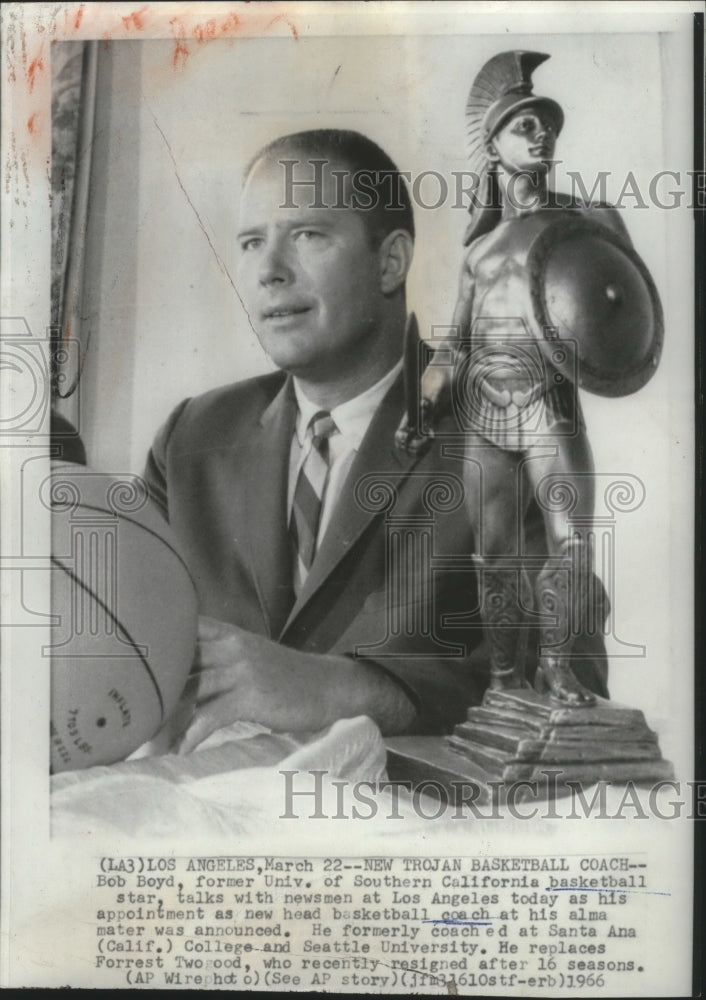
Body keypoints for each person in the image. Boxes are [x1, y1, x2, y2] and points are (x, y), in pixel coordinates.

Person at [144, 127, 609, 752]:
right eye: (253, 242)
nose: (269, 272)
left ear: (390, 261)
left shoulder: (500, 431)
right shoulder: (190, 437)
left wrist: (342, 690)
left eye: (307, 235)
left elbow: (572, 692)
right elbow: (111, 643)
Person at [396, 51, 633, 705]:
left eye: (543, 124)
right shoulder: (480, 250)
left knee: (573, 541)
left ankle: (561, 671)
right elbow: (458, 343)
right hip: (483, 412)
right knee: (494, 556)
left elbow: (623, 310)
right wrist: (419, 403)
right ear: (494, 147)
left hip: (548, 401)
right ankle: (504, 685)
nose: (539, 134)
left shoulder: (585, 224)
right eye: (522, 126)